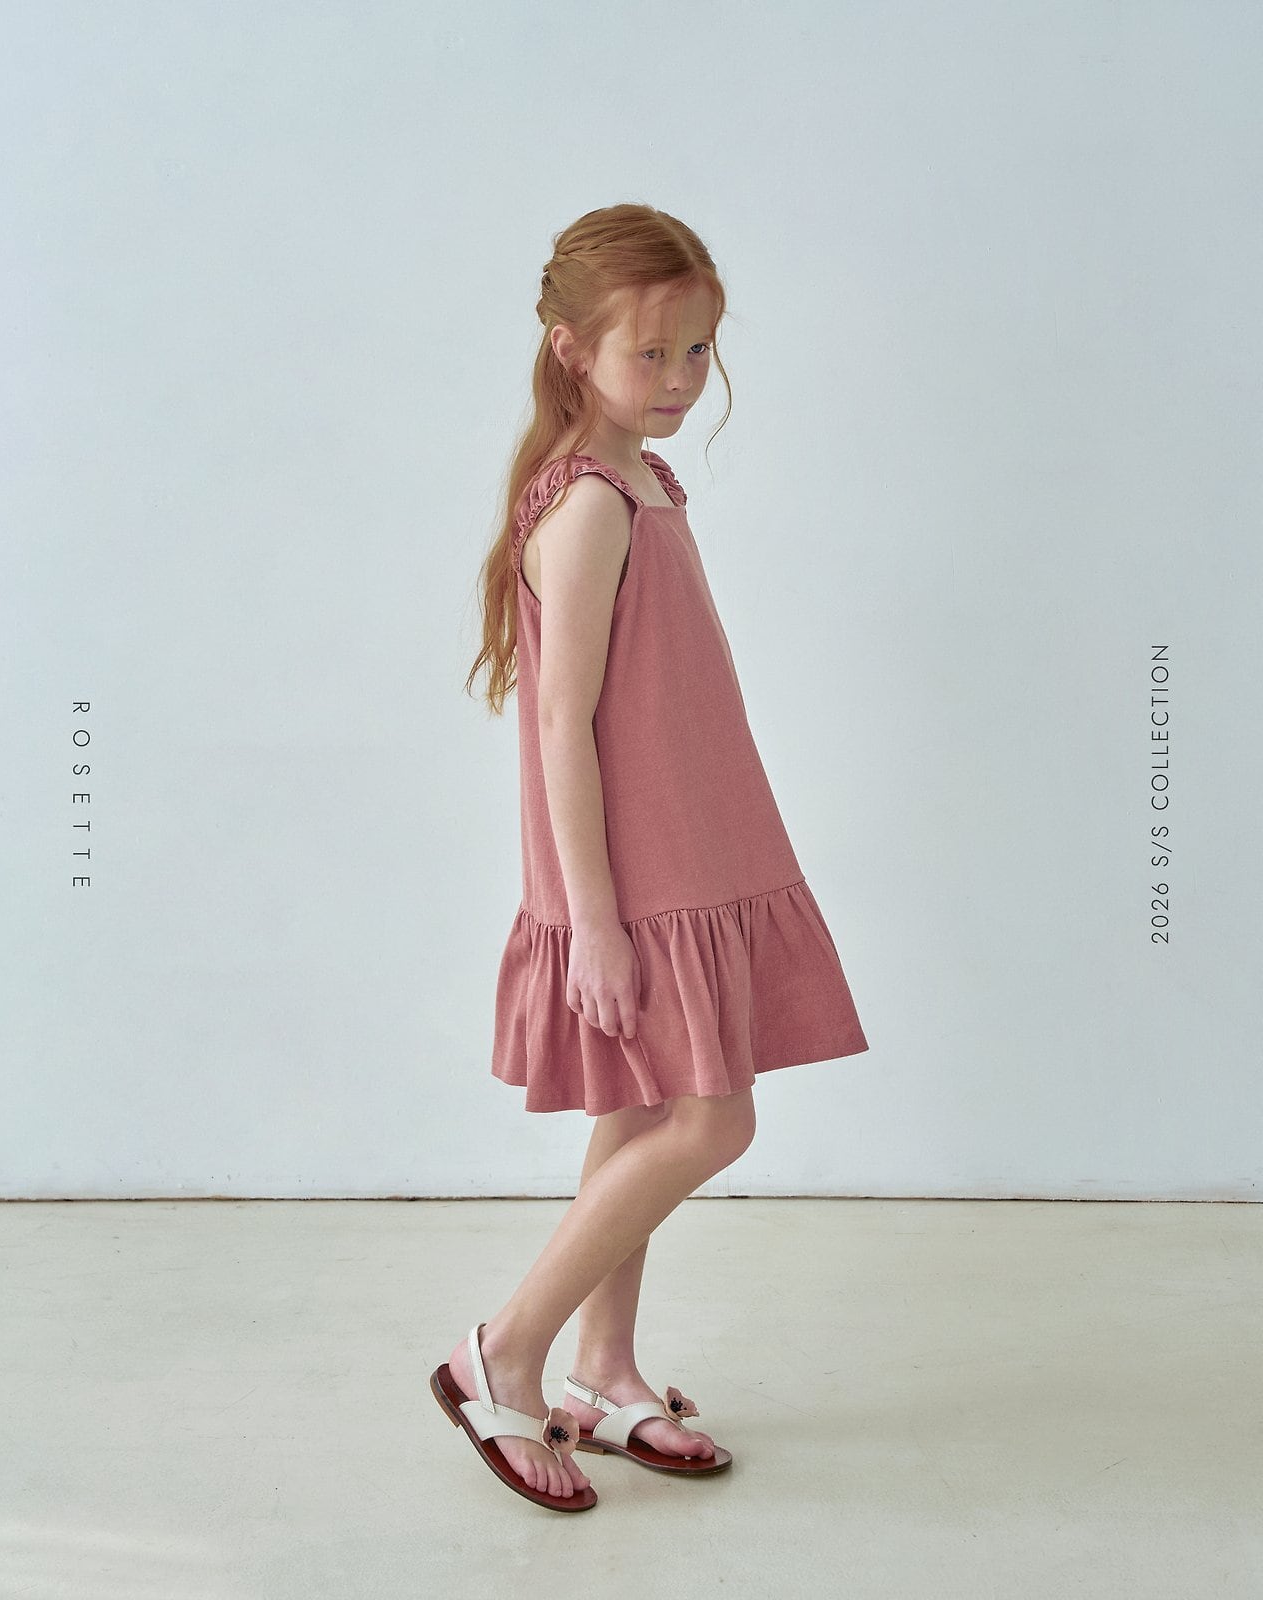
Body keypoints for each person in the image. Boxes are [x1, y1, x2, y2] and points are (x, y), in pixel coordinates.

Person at [432, 203, 869, 1512]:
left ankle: (602, 1372)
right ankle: (503, 1351)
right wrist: (597, 923)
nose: (679, 379)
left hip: (698, 848)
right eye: (651, 353)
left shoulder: (643, 483)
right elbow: (559, 726)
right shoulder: (587, 508)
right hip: (641, 878)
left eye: (698, 351)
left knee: (637, 1114)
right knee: (713, 1119)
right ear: (571, 350)